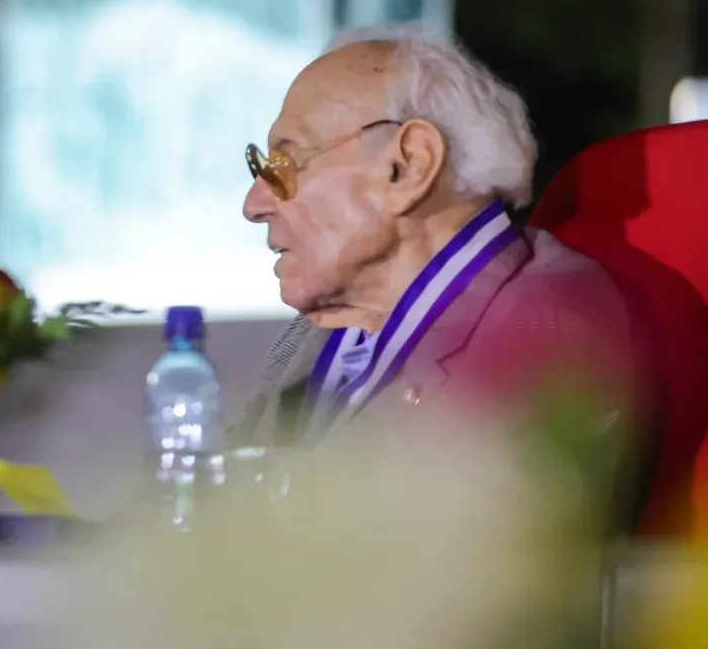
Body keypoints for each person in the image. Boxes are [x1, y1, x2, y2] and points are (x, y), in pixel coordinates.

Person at [231, 24, 633, 450]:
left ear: (408, 166)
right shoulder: (327, 328)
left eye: (285, 164)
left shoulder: (545, 337)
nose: (254, 204)